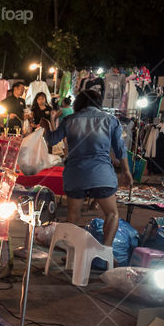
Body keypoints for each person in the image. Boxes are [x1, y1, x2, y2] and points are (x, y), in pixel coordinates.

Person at [45, 89, 132, 247]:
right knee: (112, 214)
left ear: (78, 103)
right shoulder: (111, 120)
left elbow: (52, 140)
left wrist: (46, 126)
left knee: (72, 217)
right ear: (98, 103)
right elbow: (120, 149)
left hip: (75, 174)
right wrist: (126, 171)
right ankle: (106, 251)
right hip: (101, 174)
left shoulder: (70, 120)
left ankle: (71, 254)